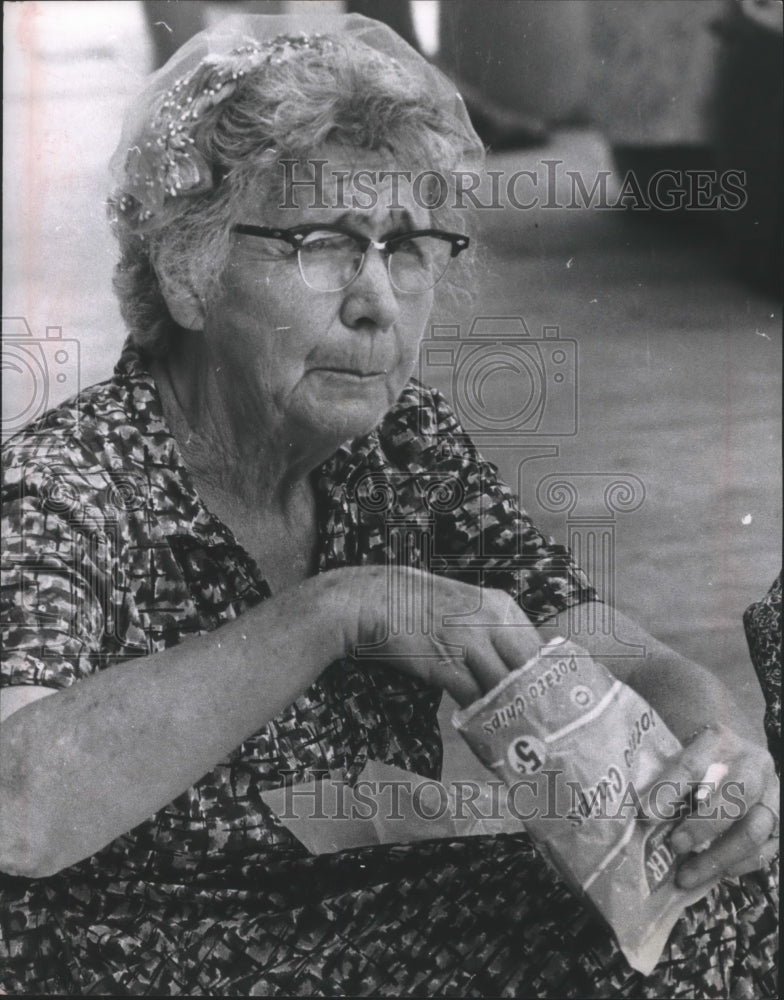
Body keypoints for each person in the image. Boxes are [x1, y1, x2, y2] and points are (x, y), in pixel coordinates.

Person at [0, 13, 778, 997]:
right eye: (322, 243)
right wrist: (340, 608)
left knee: (733, 896)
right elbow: (17, 803)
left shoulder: (398, 450)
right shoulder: (67, 485)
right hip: (143, 954)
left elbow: (607, 646)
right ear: (185, 271)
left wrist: (718, 755)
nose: (376, 299)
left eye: (408, 247)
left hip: (364, 921)